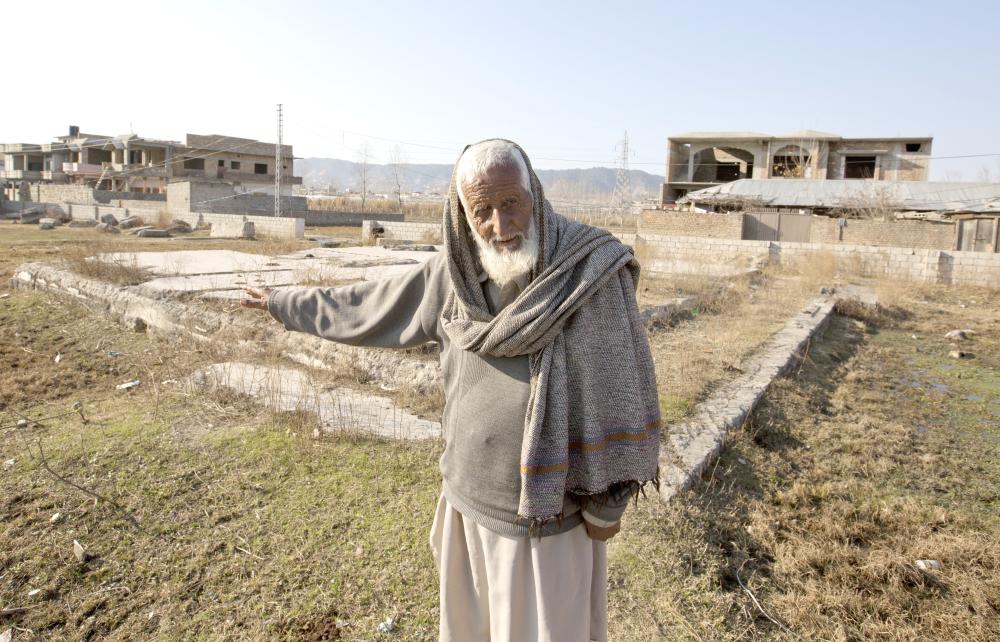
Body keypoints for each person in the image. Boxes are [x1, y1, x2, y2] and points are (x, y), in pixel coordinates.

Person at [243, 139, 660, 642]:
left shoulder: (588, 270)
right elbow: (367, 306)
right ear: (462, 212)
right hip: (466, 501)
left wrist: (607, 506)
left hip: (551, 522)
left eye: (511, 204)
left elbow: (625, 387)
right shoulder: (455, 276)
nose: (501, 227)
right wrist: (283, 302)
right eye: (482, 211)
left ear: (536, 194)